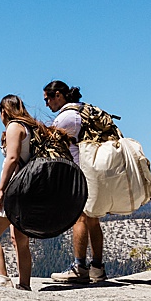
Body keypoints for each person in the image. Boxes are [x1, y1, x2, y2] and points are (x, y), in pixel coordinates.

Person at [0, 94, 54, 290]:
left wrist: (0, 190)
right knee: (19, 239)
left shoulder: (14, 127)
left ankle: (2, 278)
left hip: (15, 187)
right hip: (30, 187)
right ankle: (24, 285)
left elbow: (12, 159)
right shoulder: (29, 127)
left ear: (4, 111)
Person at [41, 81, 106, 283]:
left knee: (79, 218)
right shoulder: (84, 110)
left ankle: (79, 267)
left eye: (48, 99)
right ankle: (97, 268)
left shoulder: (67, 117)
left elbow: (49, 142)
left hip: (79, 172)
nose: (47, 105)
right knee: (93, 219)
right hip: (95, 172)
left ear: (58, 95)